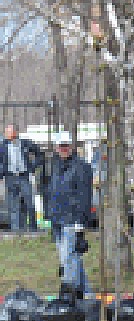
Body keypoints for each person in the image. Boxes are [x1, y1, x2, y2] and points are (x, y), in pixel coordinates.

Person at [45, 131, 93, 296]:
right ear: (56, 147)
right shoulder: (54, 166)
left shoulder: (82, 167)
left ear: (72, 146)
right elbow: (50, 191)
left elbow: (85, 198)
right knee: (71, 260)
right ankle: (87, 295)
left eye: (66, 145)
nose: (64, 149)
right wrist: (49, 215)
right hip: (57, 220)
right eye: (61, 146)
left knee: (69, 259)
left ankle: (69, 294)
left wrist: (80, 226)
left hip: (72, 221)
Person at [1, 123, 43, 233]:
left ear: (15, 132)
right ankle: (16, 230)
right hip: (10, 177)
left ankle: (33, 228)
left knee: (29, 202)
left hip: (24, 176)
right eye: (6, 132)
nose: (6, 134)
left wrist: (33, 167)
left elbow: (40, 154)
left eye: (8, 131)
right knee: (13, 203)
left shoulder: (25, 143)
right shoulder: (3, 146)